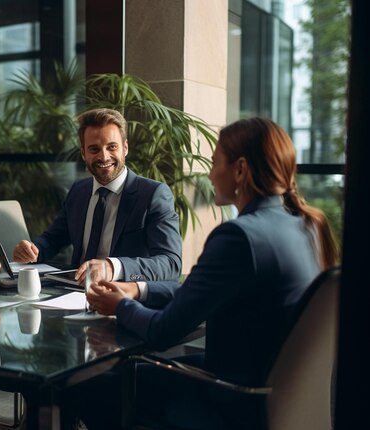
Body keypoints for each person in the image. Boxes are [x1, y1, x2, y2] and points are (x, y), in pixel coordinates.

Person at [73, 117, 339, 429]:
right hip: (270, 391)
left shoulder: (240, 237)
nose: (210, 174)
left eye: (215, 162)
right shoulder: (303, 226)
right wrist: (138, 290)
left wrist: (120, 306)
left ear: (239, 169)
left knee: (88, 383)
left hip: (232, 401)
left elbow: (163, 332)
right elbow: (206, 290)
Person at [13, 108, 182, 288]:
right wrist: (32, 250)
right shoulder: (79, 191)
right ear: (84, 154)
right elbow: (52, 239)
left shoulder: (153, 194)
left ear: (125, 148)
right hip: (73, 294)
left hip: (123, 300)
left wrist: (112, 267)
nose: (104, 156)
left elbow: (171, 264)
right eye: (94, 149)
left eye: (112, 147)